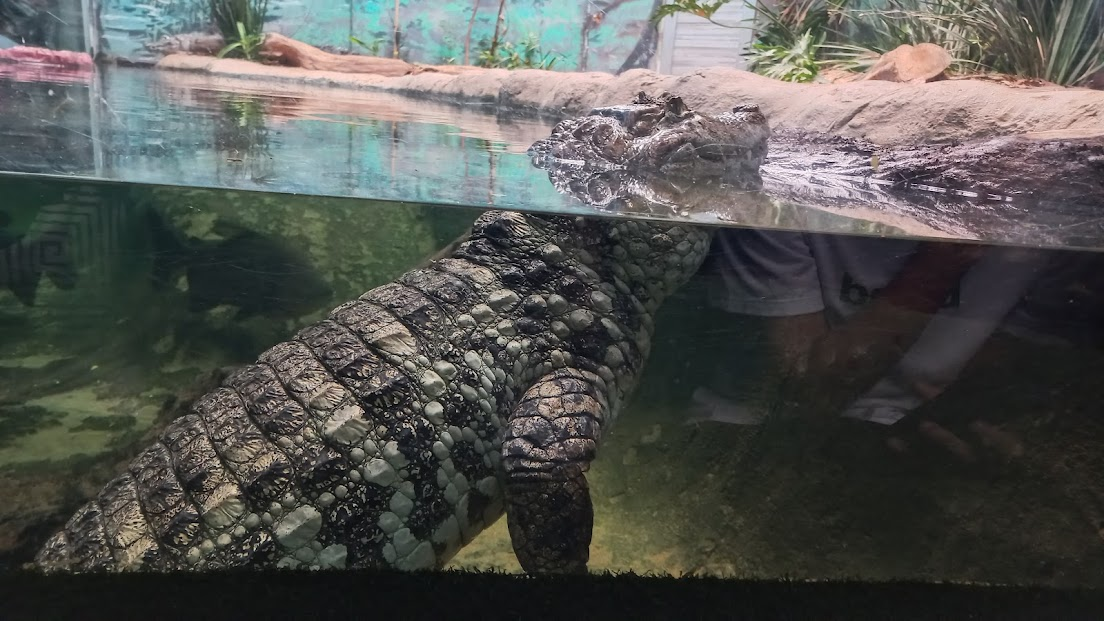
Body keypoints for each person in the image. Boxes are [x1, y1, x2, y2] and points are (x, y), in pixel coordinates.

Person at [690, 226, 1094, 463]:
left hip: (915, 442)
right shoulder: (776, 214)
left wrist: (959, 419)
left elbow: (1004, 368)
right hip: (755, 434)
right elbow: (802, 388)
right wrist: (936, 267)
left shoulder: (1054, 230)